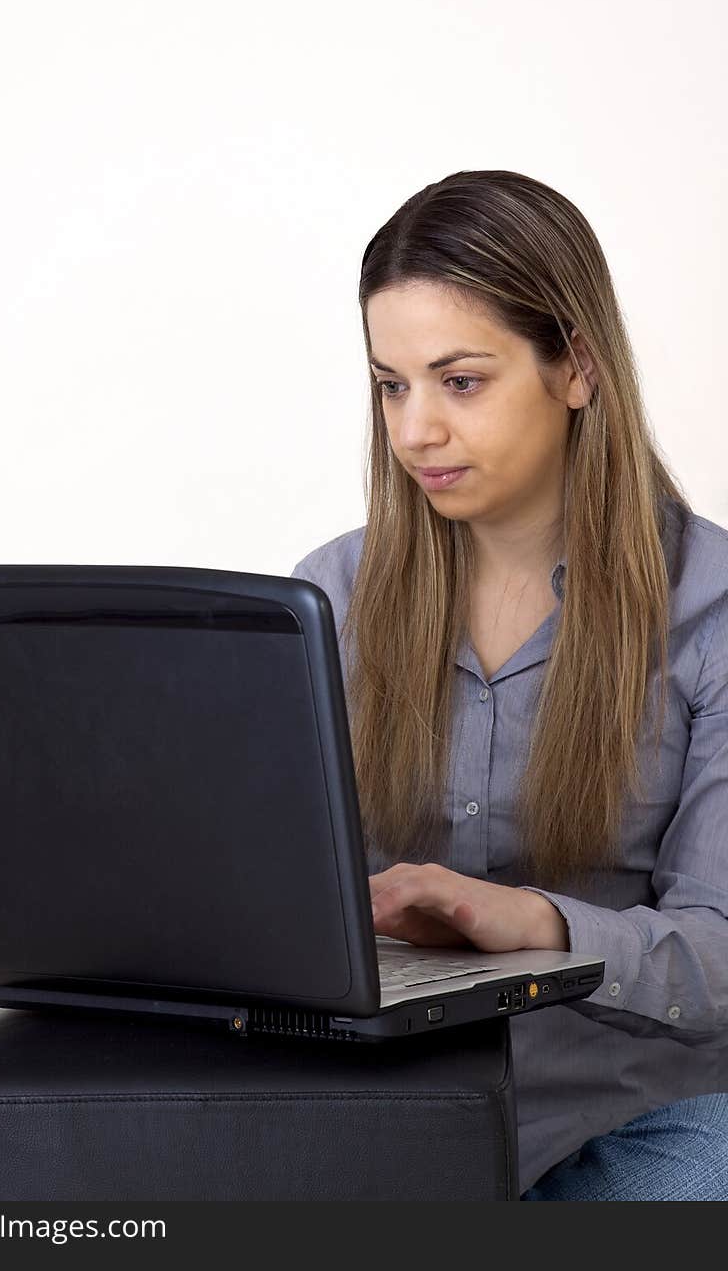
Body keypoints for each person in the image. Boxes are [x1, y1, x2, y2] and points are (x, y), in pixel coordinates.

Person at [289, 169, 728, 1200]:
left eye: (461, 380)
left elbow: (722, 953)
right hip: (388, 1101)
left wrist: (534, 922)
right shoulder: (329, 596)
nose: (413, 433)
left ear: (574, 366)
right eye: (391, 385)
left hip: (641, 1114)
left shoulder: (710, 610)